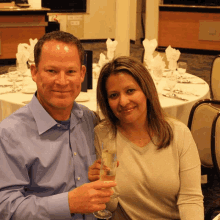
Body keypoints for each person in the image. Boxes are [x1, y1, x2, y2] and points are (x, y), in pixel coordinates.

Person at [0, 31, 116, 220]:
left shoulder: (89, 119)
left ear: (82, 74)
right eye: (52, 71)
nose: (62, 82)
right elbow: (5, 208)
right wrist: (68, 203)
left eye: (71, 71)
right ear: (34, 72)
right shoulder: (10, 134)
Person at [88, 56, 204, 220]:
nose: (123, 101)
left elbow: (190, 199)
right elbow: (111, 208)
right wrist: (103, 188)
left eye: (130, 91)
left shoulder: (179, 134)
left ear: (146, 91)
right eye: (114, 95)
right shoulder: (104, 135)